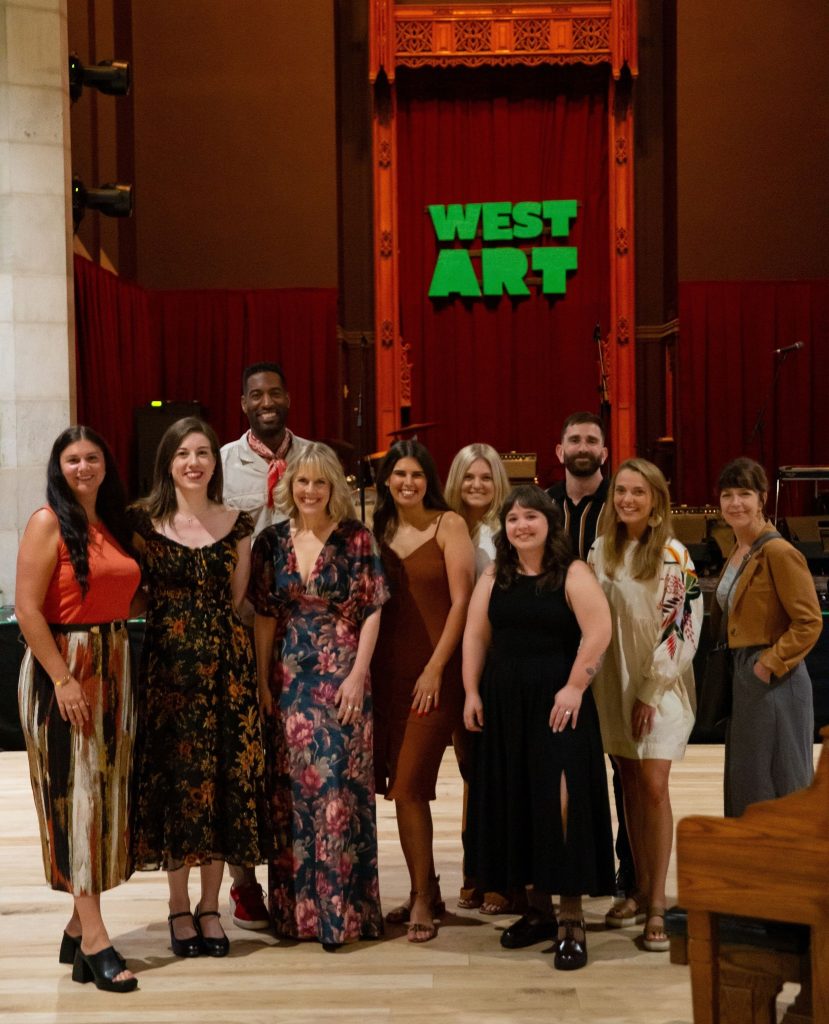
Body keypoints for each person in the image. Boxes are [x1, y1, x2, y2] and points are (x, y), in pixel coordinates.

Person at [130, 416, 268, 959]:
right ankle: (178, 906)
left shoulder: (238, 522)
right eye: (183, 453)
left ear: (216, 461)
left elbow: (237, 599)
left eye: (203, 453)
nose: (194, 462)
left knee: (222, 787)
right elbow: (135, 593)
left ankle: (211, 907)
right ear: (168, 462)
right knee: (177, 788)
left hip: (225, 673)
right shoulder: (143, 522)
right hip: (167, 674)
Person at [463, 485, 614, 971]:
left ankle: (572, 918)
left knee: (562, 801)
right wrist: (471, 691)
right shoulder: (495, 574)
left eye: (531, 517)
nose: (521, 525)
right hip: (505, 701)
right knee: (518, 797)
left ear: (550, 523)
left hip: (558, 702)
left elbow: (599, 631)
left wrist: (574, 687)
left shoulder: (573, 572)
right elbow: (476, 634)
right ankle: (539, 911)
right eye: (513, 519)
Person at [249, 442, 389, 949]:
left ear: (334, 488)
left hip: (342, 677)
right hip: (289, 680)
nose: (310, 491)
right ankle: (297, 917)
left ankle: (342, 916)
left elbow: (372, 608)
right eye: (302, 482)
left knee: (338, 792)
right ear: (290, 486)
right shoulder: (270, 541)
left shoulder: (356, 538)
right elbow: (265, 615)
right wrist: (262, 680)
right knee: (291, 793)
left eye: (320, 482)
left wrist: (358, 674)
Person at [15, 426, 141, 993]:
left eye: (93, 457)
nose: (84, 467)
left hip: (113, 663)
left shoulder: (111, 523)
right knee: (77, 800)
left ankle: (75, 927)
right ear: (58, 467)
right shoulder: (47, 522)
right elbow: (26, 609)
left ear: (106, 465)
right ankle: (95, 940)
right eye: (73, 459)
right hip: (64, 668)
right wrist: (62, 678)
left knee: (104, 798)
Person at [588, 458, 702, 952]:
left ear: (656, 500)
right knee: (630, 784)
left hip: (659, 687)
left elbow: (683, 629)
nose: (627, 499)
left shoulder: (675, 555)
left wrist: (651, 690)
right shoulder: (601, 550)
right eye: (621, 491)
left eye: (638, 492)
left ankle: (657, 902)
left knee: (653, 785)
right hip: (611, 684)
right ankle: (637, 888)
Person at [371, 439, 475, 942]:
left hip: (434, 675)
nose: (407, 482)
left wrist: (436, 668)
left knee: (411, 782)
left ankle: (420, 897)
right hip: (385, 674)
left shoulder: (448, 525)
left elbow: (462, 603)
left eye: (416, 474)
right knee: (400, 789)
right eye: (399, 474)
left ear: (428, 480)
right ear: (386, 480)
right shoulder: (377, 529)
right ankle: (426, 887)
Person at [220, 361, 308, 928]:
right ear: (244, 403)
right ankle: (244, 881)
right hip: (241, 621)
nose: (267, 401)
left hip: (302, 629)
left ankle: (298, 872)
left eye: (275, 391)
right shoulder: (222, 462)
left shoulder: (313, 457)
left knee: (292, 756)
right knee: (243, 756)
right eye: (257, 394)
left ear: (288, 397)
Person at [545, 411, 636, 902]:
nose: (583, 447)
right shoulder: (542, 505)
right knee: (560, 768)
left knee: (623, 767)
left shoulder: (621, 503)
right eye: (574, 439)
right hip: (557, 656)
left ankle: (631, 871)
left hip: (613, 650)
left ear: (604, 451)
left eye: (592, 440)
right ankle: (564, 870)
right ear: (560, 452)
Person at [712, 457, 821, 817]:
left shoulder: (779, 551)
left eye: (744, 494)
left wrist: (767, 665)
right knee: (749, 779)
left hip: (775, 680)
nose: (735, 503)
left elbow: (809, 621)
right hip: (745, 676)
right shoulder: (739, 549)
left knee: (778, 780)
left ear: (762, 498)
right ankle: (753, 852)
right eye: (727, 495)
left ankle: (786, 854)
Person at [445, 443, 513, 914]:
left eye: (486, 477)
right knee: (470, 768)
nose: (477, 485)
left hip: (495, 660)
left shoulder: (508, 528)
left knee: (496, 769)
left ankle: (499, 874)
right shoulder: (445, 524)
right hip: (454, 658)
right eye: (469, 477)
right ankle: (474, 867)